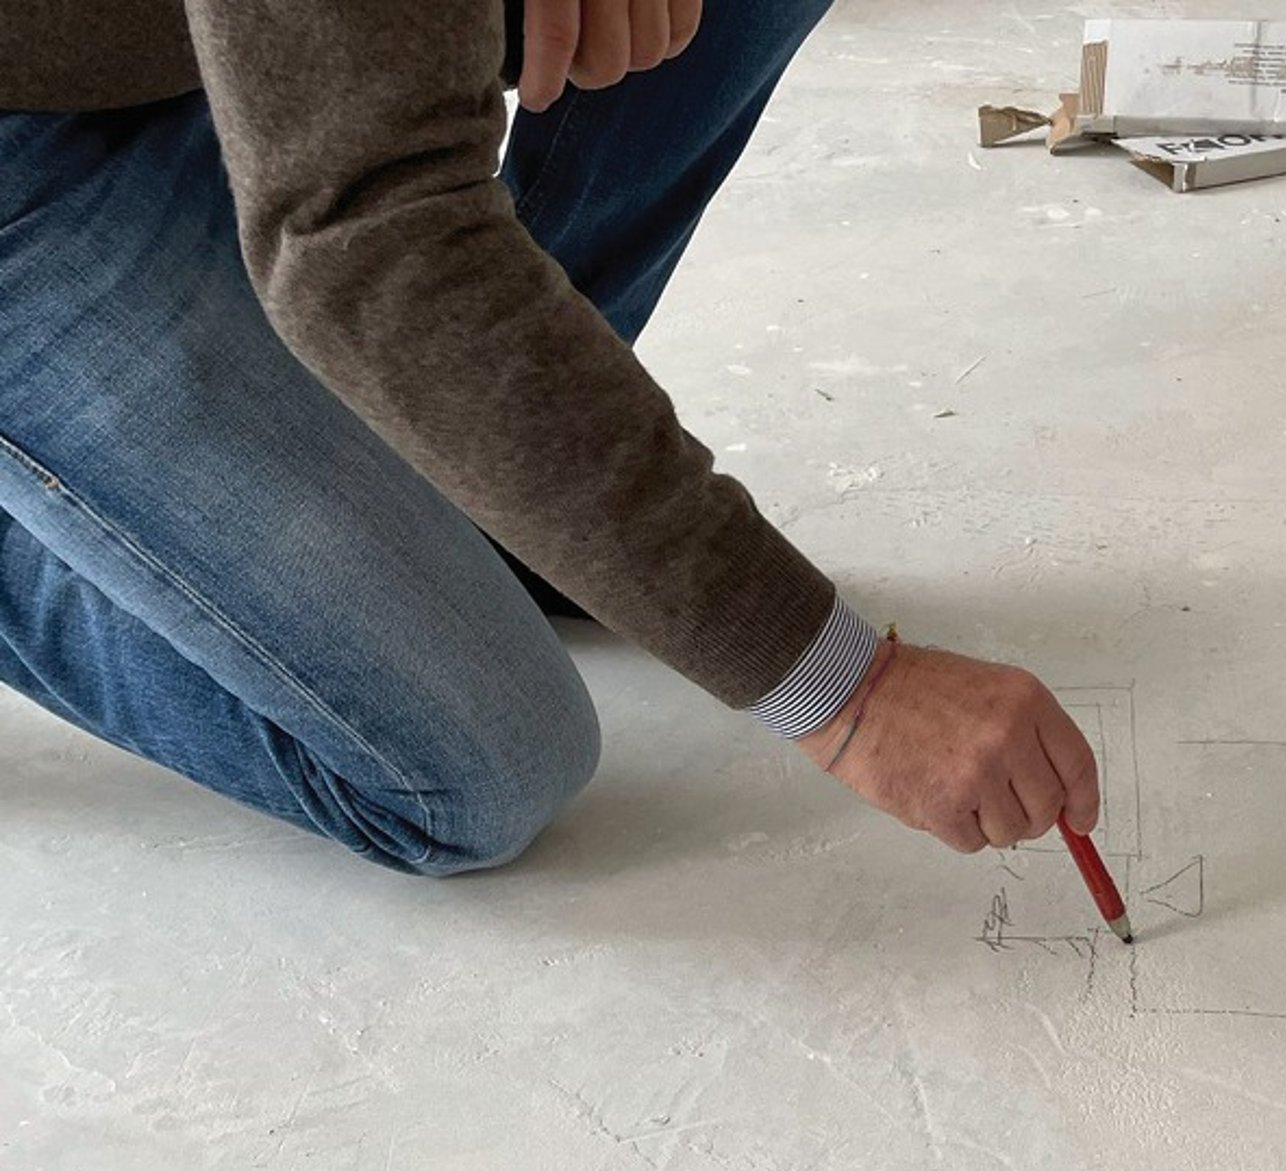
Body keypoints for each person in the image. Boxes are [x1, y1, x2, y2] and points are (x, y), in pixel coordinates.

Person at [0, 0, 1101, 875]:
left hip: (178, 49)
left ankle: (492, 488)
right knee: (482, 767)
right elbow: (374, 236)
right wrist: (848, 694)